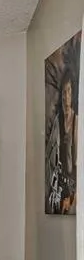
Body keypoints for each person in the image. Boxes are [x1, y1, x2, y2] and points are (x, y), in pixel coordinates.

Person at [49, 62, 78, 214]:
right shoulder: (58, 121)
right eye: (63, 93)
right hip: (60, 185)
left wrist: (73, 193)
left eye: (68, 92)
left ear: (72, 95)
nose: (66, 97)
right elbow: (50, 154)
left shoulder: (77, 121)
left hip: (73, 186)